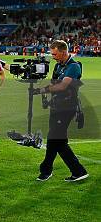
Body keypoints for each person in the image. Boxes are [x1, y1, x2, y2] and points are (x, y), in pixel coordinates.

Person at [36, 40, 88, 182]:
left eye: (54, 53)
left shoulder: (74, 66)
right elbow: (54, 84)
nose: (52, 56)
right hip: (57, 107)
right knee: (55, 139)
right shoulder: (58, 65)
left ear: (63, 51)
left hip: (67, 108)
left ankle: (78, 170)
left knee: (56, 140)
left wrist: (42, 90)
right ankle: (47, 170)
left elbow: (63, 86)